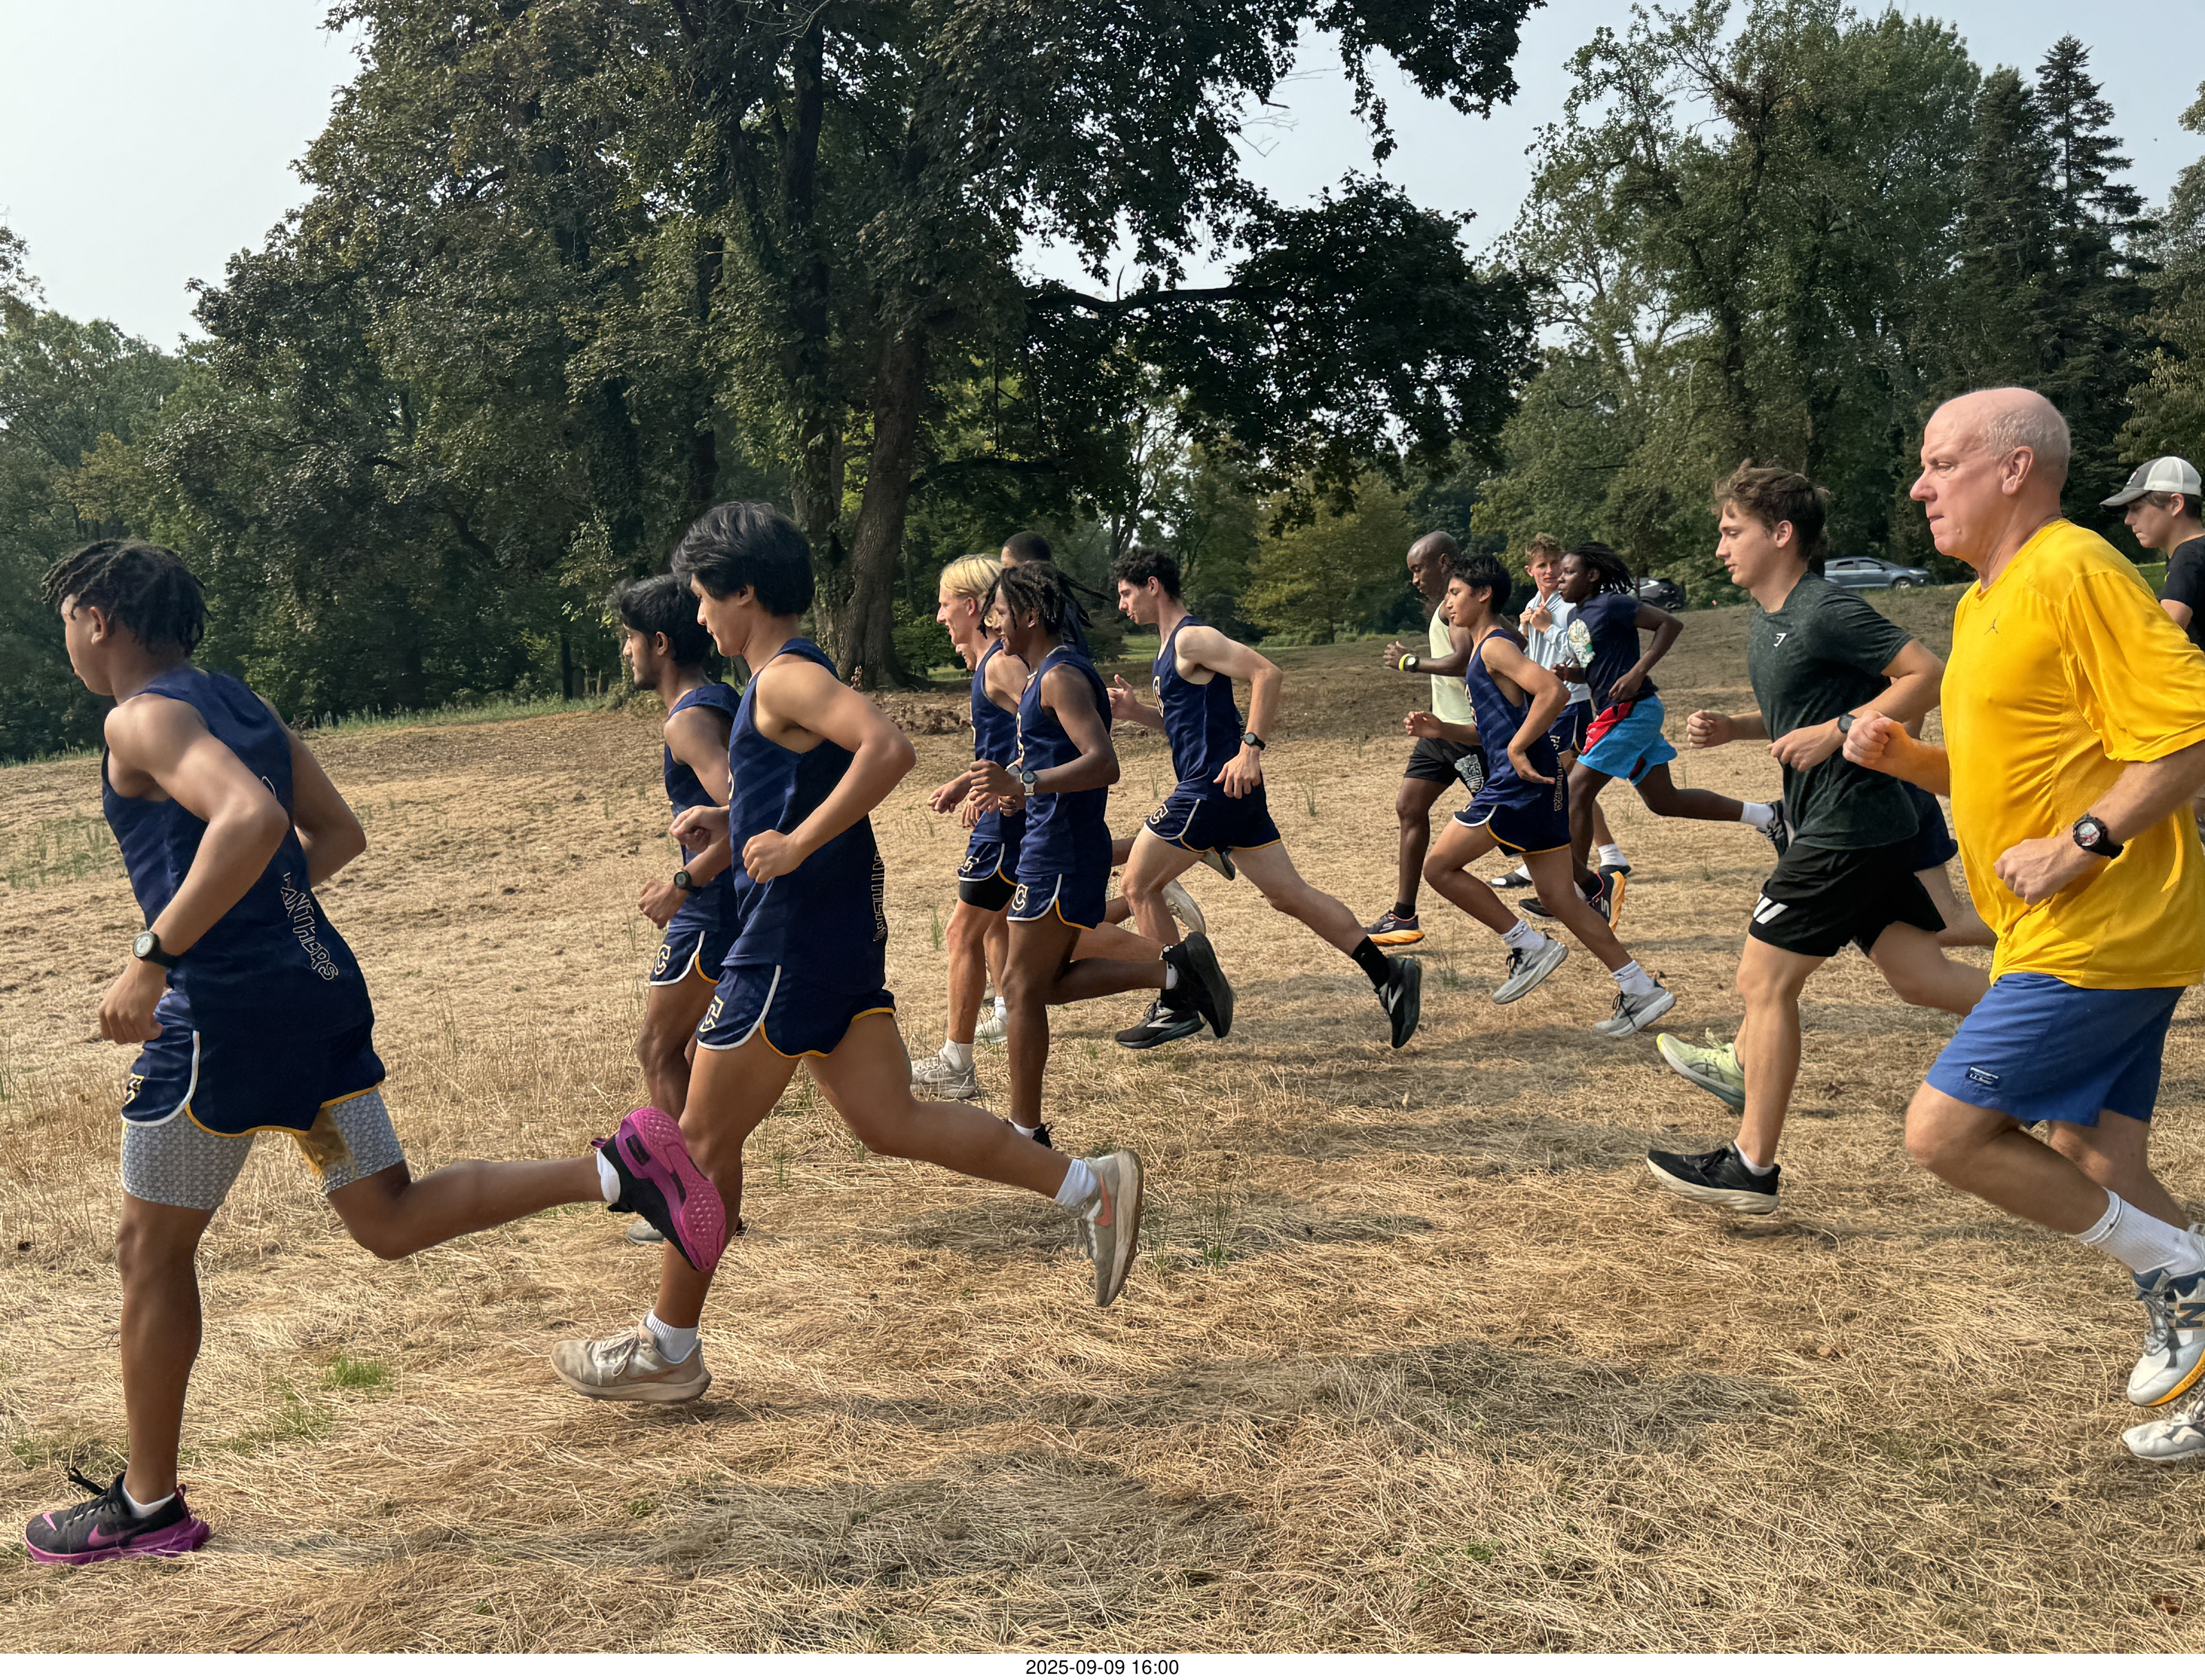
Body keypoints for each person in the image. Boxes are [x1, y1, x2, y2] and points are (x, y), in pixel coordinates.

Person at [23, 541, 727, 1563]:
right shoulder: (244, 703)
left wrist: (156, 955)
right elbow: (336, 834)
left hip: (223, 1021)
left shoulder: (138, 717)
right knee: (386, 1215)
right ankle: (617, 1168)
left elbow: (252, 817)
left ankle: (147, 1505)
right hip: (317, 989)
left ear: (97, 617)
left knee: (150, 1251)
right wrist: (255, 916)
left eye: (65, 624)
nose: (68, 644)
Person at [551, 506, 1151, 1406]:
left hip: (785, 945)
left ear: (745, 592)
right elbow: (813, 778)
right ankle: (1090, 1186)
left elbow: (888, 748)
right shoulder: (782, 681)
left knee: (700, 1142)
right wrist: (739, 819)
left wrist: (793, 843)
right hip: (831, 940)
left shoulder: (785, 676)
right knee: (889, 1119)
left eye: (706, 596)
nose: (700, 615)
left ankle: (667, 1349)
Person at [1843, 389, 2205, 1464]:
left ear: (2013, 469)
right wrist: (1912, 760)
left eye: (1941, 462)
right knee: (2096, 1156)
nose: (1920, 486)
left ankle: (2182, 1271)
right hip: (2060, 932)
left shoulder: (2075, 568)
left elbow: (2189, 731)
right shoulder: (1982, 602)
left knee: (1944, 1133)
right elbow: (2015, 767)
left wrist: (2085, 842)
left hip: (2105, 927)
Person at [1639, 467, 1980, 1207]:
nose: (1721, 546)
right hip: (1854, 826)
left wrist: (1838, 731)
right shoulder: (1771, 618)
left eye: (1732, 531)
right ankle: (2053, 1041)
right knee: (1918, 977)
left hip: (1847, 828)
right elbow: (1811, 704)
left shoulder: (1824, 608)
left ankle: (1751, 1168)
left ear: (1781, 534)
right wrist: (1736, 727)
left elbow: (1926, 675)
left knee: (1763, 982)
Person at [1105, 546, 1422, 1050]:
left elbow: (1267, 673)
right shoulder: (1169, 649)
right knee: (1288, 894)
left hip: (1211, 789)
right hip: (1231, 793)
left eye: (1126, 594)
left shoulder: (1190, 637)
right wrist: (1137, 713)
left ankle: (1178, 1002)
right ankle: (1388, 974)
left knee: (1139, 884)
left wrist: (1250, 749)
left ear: (1153, 586)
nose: (1123, 605)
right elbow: (1188, 727)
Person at [969, 560, 1235, 1144]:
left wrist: (1026, 784)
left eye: (1001, 614)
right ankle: (1176, 971)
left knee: (1020, 989)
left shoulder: (1061, 676)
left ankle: (1026, 1132)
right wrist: (1011, 787)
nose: (993, 626)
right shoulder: (1043, 677)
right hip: (1054, 845)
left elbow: (1103, 764)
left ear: (1030, 616)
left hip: (1060, 852)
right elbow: (1052, 759)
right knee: (1041, 985)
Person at [1417, 552, 1676, 1036]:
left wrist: (1518, 748)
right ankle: (1640, 988)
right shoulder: (1486, 651)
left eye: (1454, 593)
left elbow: (1553, 692)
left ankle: (1526, 944)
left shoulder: (1494, 647)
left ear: (1483, 595)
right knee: (1561, 898)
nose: (1447, 603)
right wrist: (1442, 729)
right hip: (1540, 782)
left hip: (1517, 784)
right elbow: (1497, 730)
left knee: (1438, 868)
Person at [1541, 542, 1787, 925]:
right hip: (1615, 712)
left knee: (1575, 792)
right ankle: (1767, 815)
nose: (1560, 580)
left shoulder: (1613, 604)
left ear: (1592, 576)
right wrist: (1571, 674)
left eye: (1569, 573)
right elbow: (1595, 668)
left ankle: (1579, 890)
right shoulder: (1577, 616)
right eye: (1559, 574)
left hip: (1633, 712)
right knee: (1663, 800)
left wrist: (1638, 671)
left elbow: (1670, 624)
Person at [613, 574, 746, 1245]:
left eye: (630, 637)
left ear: (660, 643)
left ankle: (688, 1207)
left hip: (711, 908)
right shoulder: (718, 700)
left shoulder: (688, 719)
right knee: (694, 1054)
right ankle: (717, 1208)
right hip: (728, 903)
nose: (625, 651)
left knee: (659, 1047)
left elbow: (746, 815)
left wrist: (682, 884)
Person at [1491, 533, 1628, 893]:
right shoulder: (1533, 605)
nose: (1551, 571)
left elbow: (1582, 654)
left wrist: (1546, 627)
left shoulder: (1569, 606)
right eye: (1542, 565)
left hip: (1570, 704)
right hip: (1544, 705)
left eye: (1556, 563)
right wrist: (1524, 629)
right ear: (1530, 571)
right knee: (1570, 785)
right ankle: (1610, 854)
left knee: (1553, 784)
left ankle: (1542, 863)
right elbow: (1530, 656)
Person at [1369, 533, 1486, 947]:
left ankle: (1583, 885)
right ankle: (1403, 915)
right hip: (1439, 732)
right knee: (1409, 807)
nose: (1415, 579)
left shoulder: (1457, 608)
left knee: (1513, 822)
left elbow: (1463, 661)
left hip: (1469, 736)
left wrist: (1409, 662)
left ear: (1444, 562)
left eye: (1419, 569)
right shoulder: (1451, 605)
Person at [2103, 455, 2205, 649]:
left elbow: (2165, 638)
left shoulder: (2189, 558)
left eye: (2136, 508)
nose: (2128, 520)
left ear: (2176, 504)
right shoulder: (2196, 552)